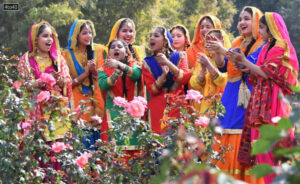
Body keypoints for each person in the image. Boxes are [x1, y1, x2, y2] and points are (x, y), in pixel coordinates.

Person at [236, 12, 299, 184]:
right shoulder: (266, 47)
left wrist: (245, 61)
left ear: (271, 29)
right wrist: (245, 67)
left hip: (274, 102)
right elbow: (259, 74)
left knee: (271, 147)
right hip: (261, 102)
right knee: (261, 149)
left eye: (262, 28)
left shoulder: (280, 46)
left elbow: (266, 72)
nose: (260, 31)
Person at [206, 6, 265, 182]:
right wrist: (217, 52)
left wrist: (222, 49)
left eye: (246, 18)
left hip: (250, 98)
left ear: (257, 22)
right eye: (240, 19)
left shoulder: (263, 45)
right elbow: (224, 66)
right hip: (230, 97)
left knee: (243, 133)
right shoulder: (237, 42)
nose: (242, 23)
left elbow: (246, 65)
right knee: (224, 132)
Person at [17, 21, 72, 174]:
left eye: (51, 37)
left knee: (58, 155)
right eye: (45, 36)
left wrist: (61, 81)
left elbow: (67, 83)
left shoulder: (58, 60)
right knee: (38, 154)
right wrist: (39, 82)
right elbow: (22, 85)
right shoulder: (26, 60)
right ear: (35, 39)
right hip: (35, 113)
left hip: (56, 113)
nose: (49, 40)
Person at [62, 19, 105, 150]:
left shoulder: (98, 51)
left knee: (96, 133)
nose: (88, 36)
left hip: (96, 98)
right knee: (80, 136)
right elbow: (66, 83)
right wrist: (85, 74)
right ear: (76, 35)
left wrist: (94, 72)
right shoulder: (66, 55)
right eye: (84, 33)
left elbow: (103, 76)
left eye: (90, 33)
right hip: (76, 98)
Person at [99, 39, 142, 160]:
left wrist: (120, 66)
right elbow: (104, 85)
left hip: (134, 115)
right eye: (112, 47)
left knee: (134, 153)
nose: (116, 49)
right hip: (112, 115)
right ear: (109, 53)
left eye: (119, 47)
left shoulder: (135, 65)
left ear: (127, 52)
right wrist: (116, 73)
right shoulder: (103, 69)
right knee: (112, 156)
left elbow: (136, 75)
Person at [142, 26, 191, 134]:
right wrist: (163, 76)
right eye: (150, 36)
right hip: (157, 108)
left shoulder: (179, 56)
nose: (151, 38)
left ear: (165, 41)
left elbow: (185, 78)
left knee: (177, 146)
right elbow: (152, 90)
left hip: (177, 105)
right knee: (158, 145)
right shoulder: (147, 62)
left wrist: (168, 63)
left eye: (156, 36)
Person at [189, 30, 228, 114]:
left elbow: (223, 82)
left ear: (221, 41)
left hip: (223, 104)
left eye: (213, 41)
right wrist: (203, 71)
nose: (209, 45)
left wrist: (209, 66)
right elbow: (193, 84)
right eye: (207, 42)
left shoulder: (228, 59)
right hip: (205, 107)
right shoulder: (204, 59)